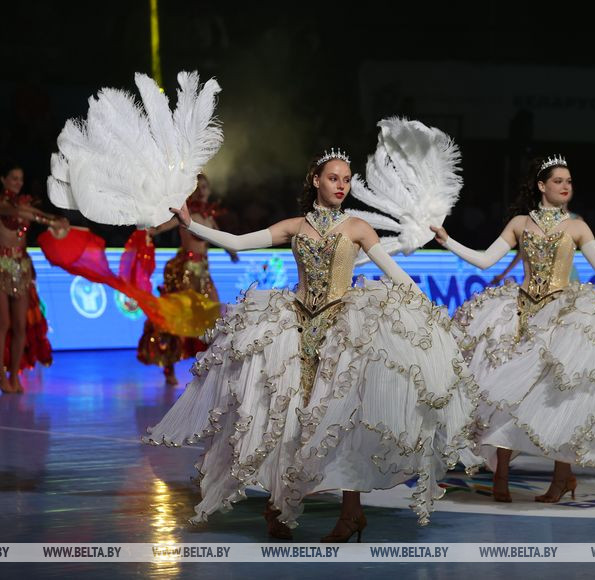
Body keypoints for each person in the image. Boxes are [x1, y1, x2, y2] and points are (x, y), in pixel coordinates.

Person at [143, 150, 480, 542]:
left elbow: (396, 274)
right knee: (284, 417)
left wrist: (430, 313)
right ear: (316, 181)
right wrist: (190, 224)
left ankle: (350, 513)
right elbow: (238, 241)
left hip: (343, 332)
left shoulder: (358, 227)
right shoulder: (296, 225)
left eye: (347, 180)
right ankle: (278, 508)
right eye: (334, 178)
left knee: (343, 420)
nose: (341, 185)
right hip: (294, 328)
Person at [432, 154, 595, 503]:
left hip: (561, 315)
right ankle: (501, 475)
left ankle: (561, 478)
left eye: (569, 181)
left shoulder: (577, 227)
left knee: (560, 394)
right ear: (541, 186)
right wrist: (447, 240)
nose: (566, 186)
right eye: (558, 181)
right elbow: (485, 260)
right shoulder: (521, 223)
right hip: (519, 313)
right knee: (504, 389)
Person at [0, 162, 68, 393]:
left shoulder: (24, 204)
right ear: (3, 180)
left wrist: (55, 220)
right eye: (14, 178)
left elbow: (30, 212)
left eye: (21, 179)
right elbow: (19, 213)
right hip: (1, 266)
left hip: (22, 266)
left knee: (20, 325)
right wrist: (51, 220)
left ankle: (14, 375)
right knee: (3, 324)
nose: (18, 183)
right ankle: (0, 376)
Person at [139, 174, 238, 385]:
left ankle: (211, 366)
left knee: (214, 317)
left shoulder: (209, 217)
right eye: (198, 187)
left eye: (205, 187)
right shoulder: (184, 215)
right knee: (178, 318)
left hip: (204, 273)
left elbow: (221, 237)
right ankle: (169, 366)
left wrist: (231, 252)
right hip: (184, 272)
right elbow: (160, 228)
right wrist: (147, 230)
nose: (202, 191)